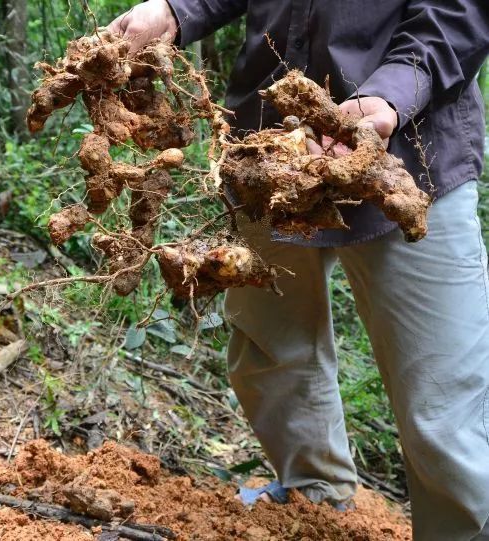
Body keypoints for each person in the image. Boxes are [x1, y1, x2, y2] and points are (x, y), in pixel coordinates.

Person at [108, 1, 489, 539]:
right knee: (272, 345)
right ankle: (315, 502)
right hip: (269, 151)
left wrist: (389, 95)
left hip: (410, 156)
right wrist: (175, 11)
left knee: (444, 405)